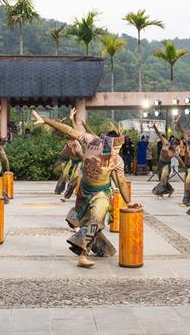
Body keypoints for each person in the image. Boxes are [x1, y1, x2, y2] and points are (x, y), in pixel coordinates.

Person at [32, 109, 142, 268]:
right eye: (115, 148)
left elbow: (121, 182)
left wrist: (129, 201)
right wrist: (46, 121)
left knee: (96, 221)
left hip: (101, 194)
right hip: (83, 192)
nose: (117, 151)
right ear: (106, 144)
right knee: (86, 223)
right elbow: (69, 130)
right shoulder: (92, 142)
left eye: (119, 148)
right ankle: (104, 249)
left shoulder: (117, 161)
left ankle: (82, 256)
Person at [151, 125, 181, 198]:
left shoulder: (174, 152)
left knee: (163, 178)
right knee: (161, 178)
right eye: (175, 144)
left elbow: (179, 159)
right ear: (172, 142)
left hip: (167, 165)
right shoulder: (165, 142)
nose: (176, 146)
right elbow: (159, 134)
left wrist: (185, 167)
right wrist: (154, 127)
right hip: (160, 162)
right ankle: (171, 190)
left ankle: (159, 193)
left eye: (177, 145)